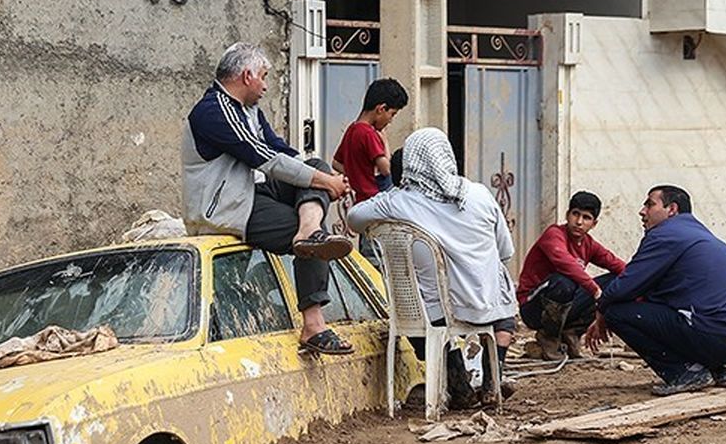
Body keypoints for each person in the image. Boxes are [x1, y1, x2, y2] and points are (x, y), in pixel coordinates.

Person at [182, 42, 355, 355]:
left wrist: (321, 176)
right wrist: (327, 182)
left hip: (250, 193)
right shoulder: (213, 110)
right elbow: (263, 157)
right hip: (224, 209)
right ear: (247, 76)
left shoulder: (249, 111)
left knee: (313, 165)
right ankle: (314, 324)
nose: (265, 84)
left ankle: (309, 229)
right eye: (263, 76)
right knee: (315, 227)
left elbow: (282, 151)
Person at [347, 128, 517, 406]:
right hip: (487, 306)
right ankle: (492, 379)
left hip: (434, 314)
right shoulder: (480, 194)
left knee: (422, 307)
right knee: (503, 297)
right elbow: (506, 252)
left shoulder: (399, 202)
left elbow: (354, 219)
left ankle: (456, 379)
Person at [585, 185, 726, 395]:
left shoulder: (665, 235)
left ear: (672, 209)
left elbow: (624, 286)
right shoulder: (696, 233)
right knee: (662, 310)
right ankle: (715, 370)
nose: (642, 211)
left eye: (650, 204)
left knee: (618, 313)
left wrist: (601, 309)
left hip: (717, 335)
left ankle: (683, 372)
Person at [517, 191, 626, 360]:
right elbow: (565, 263)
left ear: (594, 223)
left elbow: (619, 266)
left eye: (586, 217)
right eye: (575, 214)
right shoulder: (554, 234)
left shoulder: (589, 244)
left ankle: (571, 333)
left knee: (614, 281)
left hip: (564, 307)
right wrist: (594, 290)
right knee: (564, 281)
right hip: (533, 307)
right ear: (568, 215)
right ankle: (549, 338)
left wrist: (642, 288)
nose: (579, 222)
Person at [332, 78, 409, 265]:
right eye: (392, 114)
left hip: (361, 207)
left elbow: (336, 163)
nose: (390, 121)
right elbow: (386, 169)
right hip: (376, 206)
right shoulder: (369, 134)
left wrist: (357, 173)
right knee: (379, 263)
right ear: (380, 109)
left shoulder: (352, 130)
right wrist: (386, 143)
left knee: (368, 257)